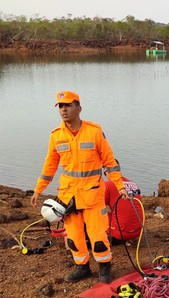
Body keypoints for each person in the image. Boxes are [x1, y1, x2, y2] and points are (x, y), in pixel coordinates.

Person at [31, 90, 128, 284]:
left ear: (79, 108)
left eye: (68, 105)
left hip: (92, 194)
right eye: (60, 106)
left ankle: (104, 269)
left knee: (98, 237)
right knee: (74, 237)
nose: (63, 110)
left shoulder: (94, 131)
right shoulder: (56, 136)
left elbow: (109, 162)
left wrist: (120, 185)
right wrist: (38, 189)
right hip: (68, 196)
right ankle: (82, 267)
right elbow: (50, 165)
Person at [104, 160, 144, 244]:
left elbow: (97, 207)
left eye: (105, 173)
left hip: (122, 233)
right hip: (138, 230)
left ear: (107, 172)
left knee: (94, 213)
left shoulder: (108, 184)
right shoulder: (133, 183)